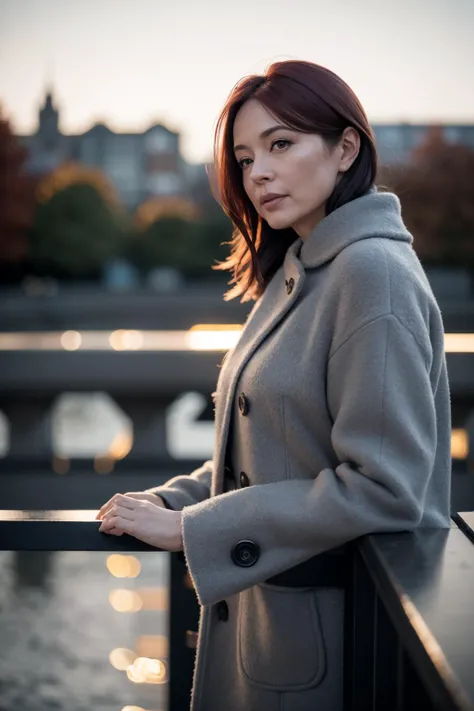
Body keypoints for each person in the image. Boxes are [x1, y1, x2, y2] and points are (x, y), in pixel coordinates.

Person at [96, 60, 452, 711]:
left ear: (346, 148)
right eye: (244, 155)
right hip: (278, 638)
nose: (257, 171)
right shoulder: (304, 266)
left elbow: (387, 487)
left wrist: (194, 529)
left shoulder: (371, 272)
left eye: (281, 143)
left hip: (327, 654)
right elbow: (280, 445)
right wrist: (174, 499)